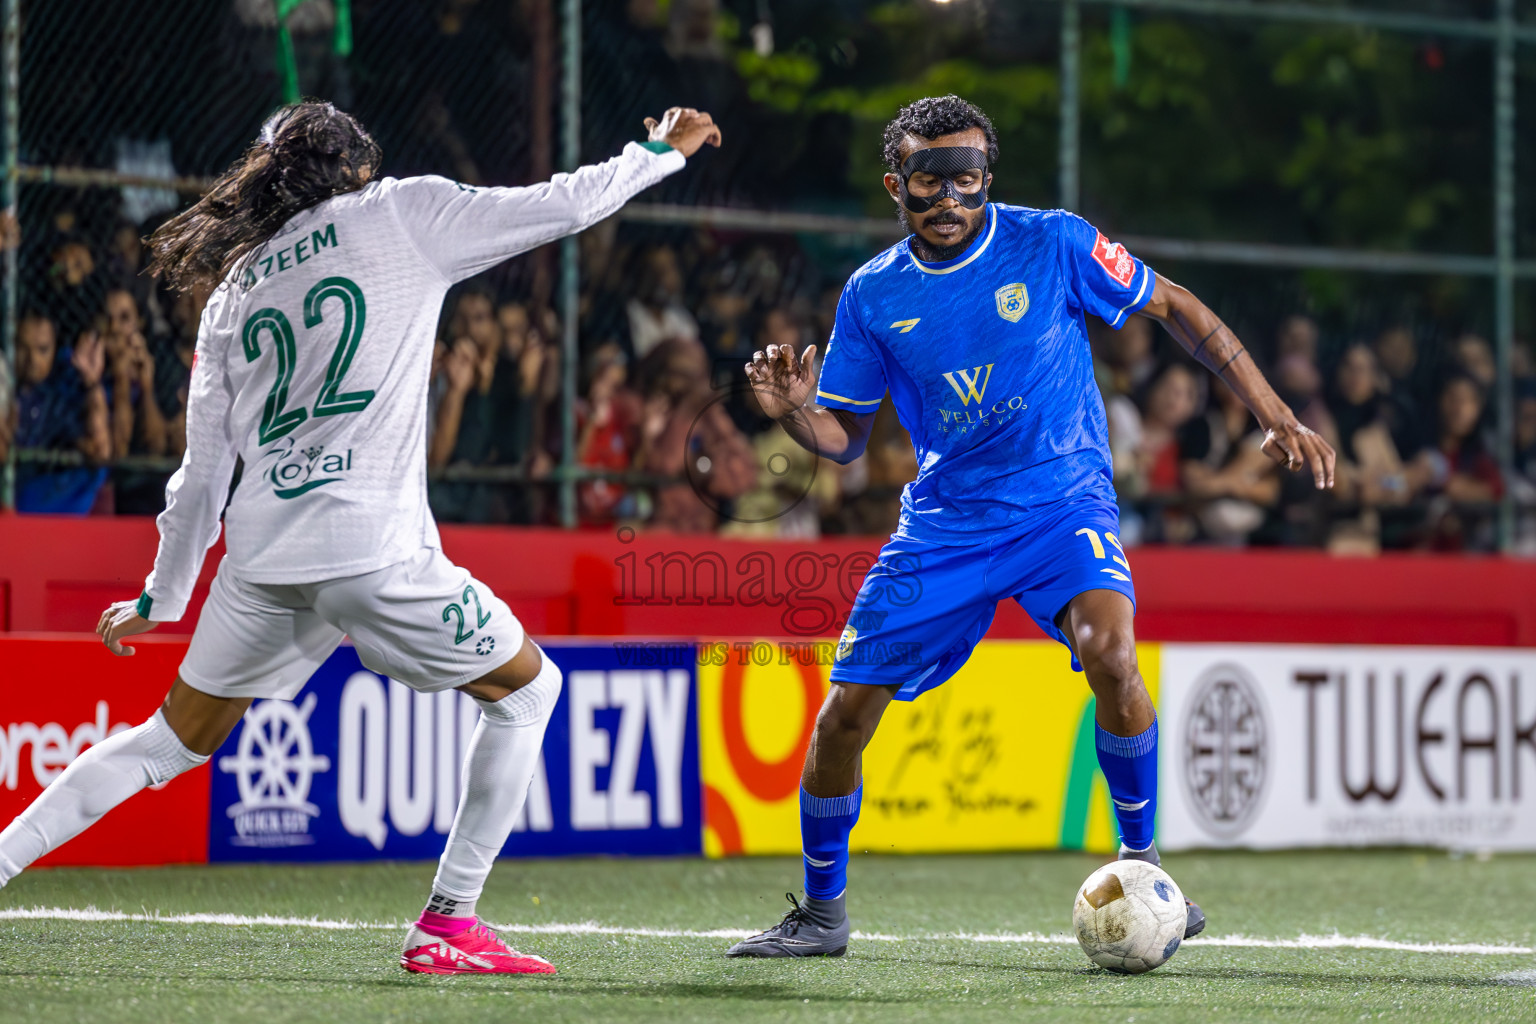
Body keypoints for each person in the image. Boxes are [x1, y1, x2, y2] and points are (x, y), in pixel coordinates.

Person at [0, 99, 721, 976]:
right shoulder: (400, 212)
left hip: (262, 558)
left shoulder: (234, 289)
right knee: (531, 692)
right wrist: (656, 152)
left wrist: (163, 594)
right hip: (370, 548)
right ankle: (449, 922)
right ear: (353, 168)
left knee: (167, 742)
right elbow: (561, 204)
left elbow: (201, 473)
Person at [729, 95, 1334, 958]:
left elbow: (1176, 307)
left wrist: (1274, 412)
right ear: (896, 184)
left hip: (1062, 506)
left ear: (987, 177)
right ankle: (822, 916)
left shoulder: (1052, 242)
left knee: (1111, 652)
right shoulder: (871, 294)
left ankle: (1143, 864)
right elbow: (845, 437)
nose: (949, 197)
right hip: (944, 529)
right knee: (840, 719)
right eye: (928, 180)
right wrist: (793, 412)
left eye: (966, 177)